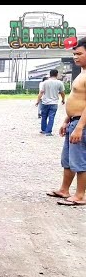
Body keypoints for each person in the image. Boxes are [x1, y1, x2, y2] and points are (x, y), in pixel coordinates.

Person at [47, 37, 86, 206]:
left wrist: (79, 127)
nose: (75, 57)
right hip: (73, 121)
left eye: (79, 54)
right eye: (74, 54)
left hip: (81, 125)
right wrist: (67, 120)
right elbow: (77, 100)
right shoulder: (82, 73)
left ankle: (80, 195)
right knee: (68, 160)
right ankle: (64, 190)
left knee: (79, 161)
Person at [36, 69, 66, 136]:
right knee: (51, 117)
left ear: (50, 74)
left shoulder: (45, 82)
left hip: (45, 102)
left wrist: (38, 101)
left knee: (44, 117)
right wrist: (63, 100)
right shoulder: (59, 83)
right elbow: (62, 93)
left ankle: (43, 130)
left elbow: (41, 92)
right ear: (57, 74)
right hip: (54, 103)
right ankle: (48, 132)